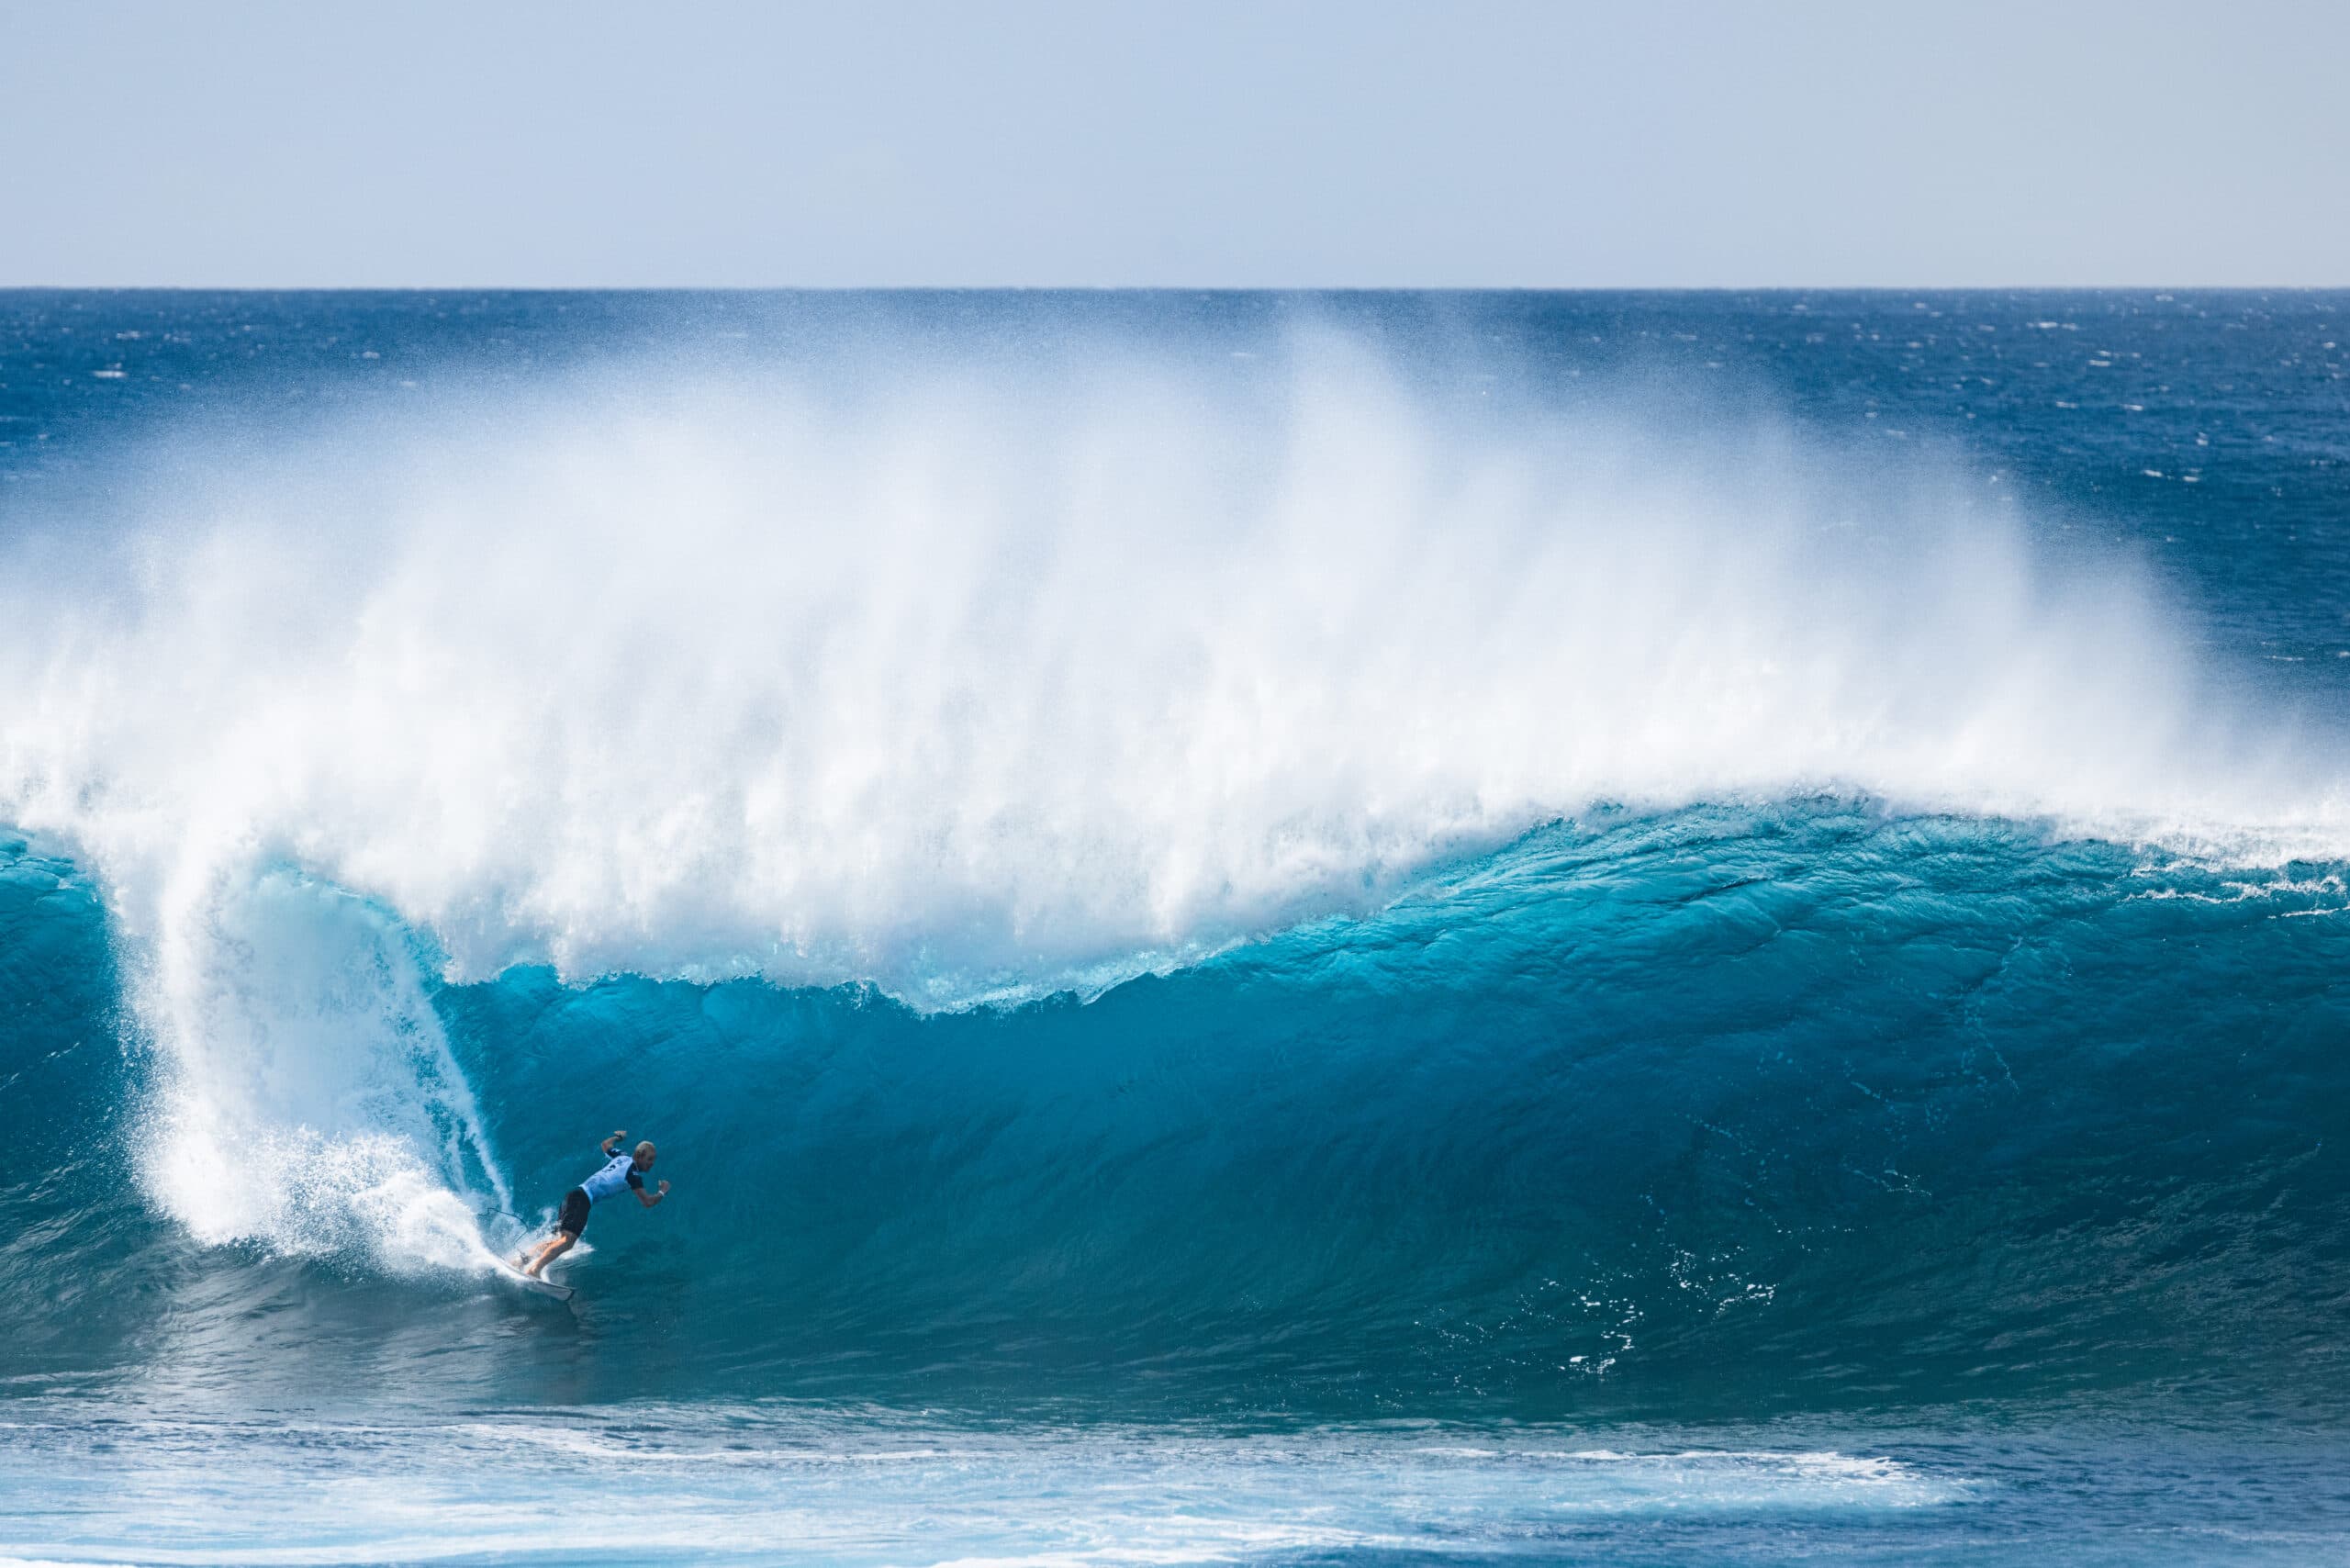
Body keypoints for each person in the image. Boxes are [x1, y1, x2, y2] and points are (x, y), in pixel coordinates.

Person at [518, 1129, 670, 1278]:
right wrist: (662, 1191)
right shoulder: (633, 1175)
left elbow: (605, 1145)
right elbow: (647, 1202)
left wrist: (617, 1137)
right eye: (650, 1159)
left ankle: (520, 1261)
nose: (652, 1163)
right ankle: (535, 1269)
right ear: (639, 1155)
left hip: (574, 1194)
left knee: (559, 1241)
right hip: (582, 1199)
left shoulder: (622, 1156)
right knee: (567, 1241)